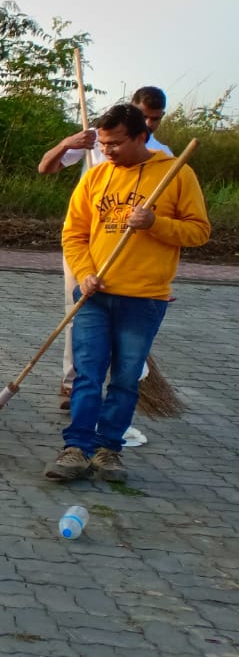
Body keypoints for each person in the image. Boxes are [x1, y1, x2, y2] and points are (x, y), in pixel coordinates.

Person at [45, 104, 208, 483]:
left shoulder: (176, 175)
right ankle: (77, 447)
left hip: (145, 298)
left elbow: (199, 231)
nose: (108, 150)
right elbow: (73, 233)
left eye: (116, 143)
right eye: (103, 143)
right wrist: (83, 274)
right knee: (87, 374)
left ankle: (108, 449)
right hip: (94, 295)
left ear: (140, 136)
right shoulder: (96, 176)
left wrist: (156, 223)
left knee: (125, 378)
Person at [37, 86, 175, 409]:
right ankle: (75, 384)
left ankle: (119, 390)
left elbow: (180, 222)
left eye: (155, 119)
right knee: (80, 312)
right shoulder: (96, 138)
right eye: (145, 116)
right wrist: (69, 143)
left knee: (126, 328)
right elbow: (45, 167)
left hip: (134, 255)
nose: (151, 123)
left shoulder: (164, 156)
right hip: (87, 243)